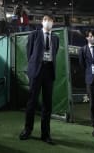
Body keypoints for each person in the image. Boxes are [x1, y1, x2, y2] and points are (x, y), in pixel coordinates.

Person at [19, 15, 59, 144]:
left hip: (49, 71)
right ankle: (27, 129)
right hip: (36, 71)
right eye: (46, 20)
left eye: (51, 21)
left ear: (53, 23)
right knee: (32, 102)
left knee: (47, 104)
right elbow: (29, 53)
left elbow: (55, 53)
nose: (48, 22)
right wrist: (35, 65)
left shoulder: (55, 38)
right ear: (42, 22)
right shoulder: (34, 35)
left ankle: (45, 134)